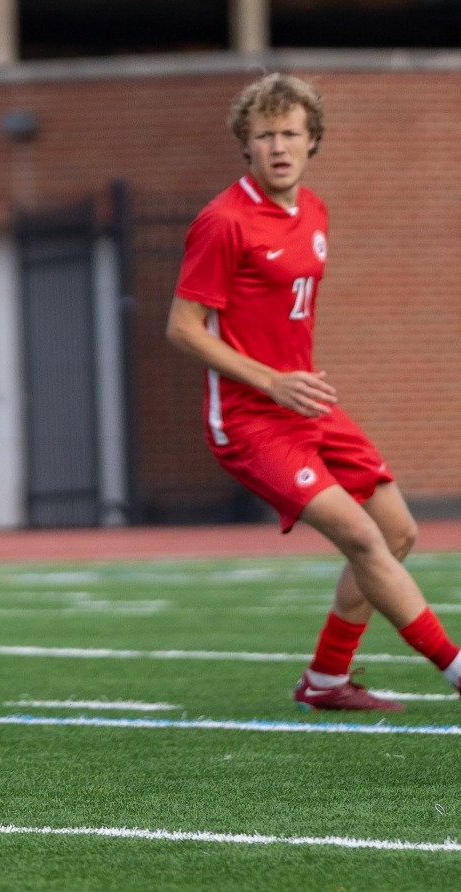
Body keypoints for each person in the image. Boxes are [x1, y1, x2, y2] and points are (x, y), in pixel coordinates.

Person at [167, 72, 461, 712]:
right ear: (245, 145)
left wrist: (290, 382)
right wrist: (272, 380)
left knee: (398, 531)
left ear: (312, 140)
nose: (278, 146)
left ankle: (326, 680)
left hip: (307, 407)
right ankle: (456, 667)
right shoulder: (224, 222)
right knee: (363, 537)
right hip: (249, 421)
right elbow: (183, 329)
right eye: (264, 135)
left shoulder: (315, 212)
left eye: (290, 133)